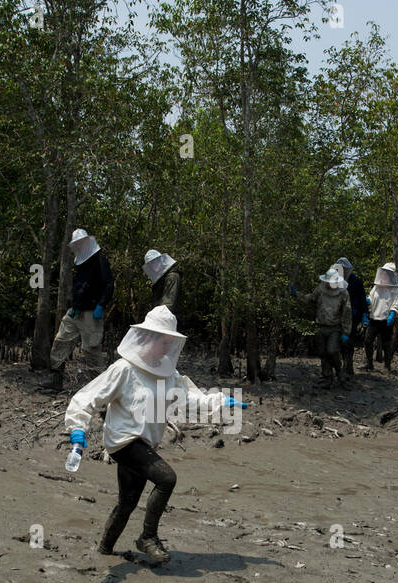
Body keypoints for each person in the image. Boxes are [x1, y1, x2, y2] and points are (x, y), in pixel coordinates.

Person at [64, 306, 246, 565]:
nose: (167, 348)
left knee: (127, 502)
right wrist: (78, 430)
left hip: (145, 443)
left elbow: (189, 398)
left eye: (170, 343)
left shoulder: (167, 373)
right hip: (123, 442)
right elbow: (88, 397)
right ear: (149, 339)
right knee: (167, 479)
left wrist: (220, 401)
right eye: (164, 342)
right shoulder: (124, 369)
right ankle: (148, 538)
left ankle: (104, 550)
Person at [42, 229, 114, 391]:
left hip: (91, 313)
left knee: (91, 350)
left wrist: (101, 305)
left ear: (87, 242)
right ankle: (56, 380)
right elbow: (80, 287)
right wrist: (74, 306)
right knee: (61, 340)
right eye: (76, 244)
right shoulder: (81, 262)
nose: (78, 246)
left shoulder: (100, 260)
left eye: (80, 243)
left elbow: (109, 285)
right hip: (76, 311)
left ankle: (100, 388)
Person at [290, 264, 353, 388]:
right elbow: (311, 298)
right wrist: (296, 294)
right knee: (323, 353)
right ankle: (327, 378)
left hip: (335, 327)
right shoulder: (320, 289)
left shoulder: (343, 293)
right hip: (320, 326)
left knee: (332, 350)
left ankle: (340, 374)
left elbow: (347, 312)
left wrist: (346, 332)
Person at [363, 263, 398, 373]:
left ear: (391, 275)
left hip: (386, 320)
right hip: (374, 318)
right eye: (384, 273)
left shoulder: (394, 290)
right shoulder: (376, 287)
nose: (384, 275)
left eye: (387, 273)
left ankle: (387, 365)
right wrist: (367, 301)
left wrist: (393, 314)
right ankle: (369, 363)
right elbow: (371, 298)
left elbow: (396, 303)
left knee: (386, 343)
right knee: (367, 341)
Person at [336, 257, 367, 380]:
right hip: (339, 315)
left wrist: (365, 315)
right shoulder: (335, 281)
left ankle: (348, 365)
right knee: (339, 341)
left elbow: (362, 300)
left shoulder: (357, 282)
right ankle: (342, 366)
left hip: (354, 316)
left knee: (349, 341)